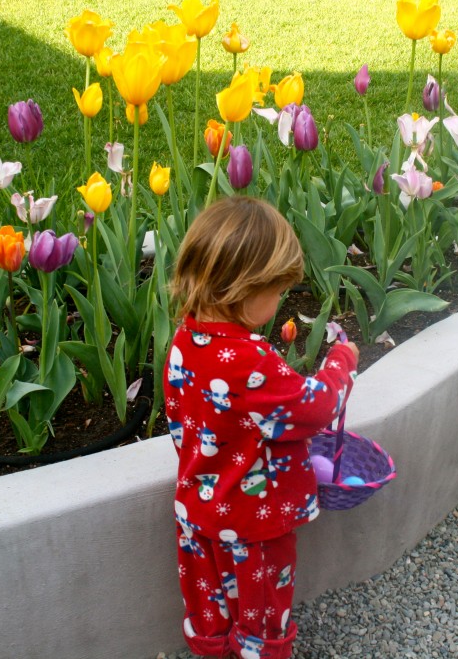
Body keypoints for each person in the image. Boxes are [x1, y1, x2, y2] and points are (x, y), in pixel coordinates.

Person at [165, 196, 359, 659]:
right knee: (263, 616)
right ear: (244, 289)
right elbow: (314, 408)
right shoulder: (248, 361)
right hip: (255, 528)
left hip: (198, 514)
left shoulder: (186, 339)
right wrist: (341, 363)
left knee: (209, 611)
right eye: (277, 290)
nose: (280, 301)